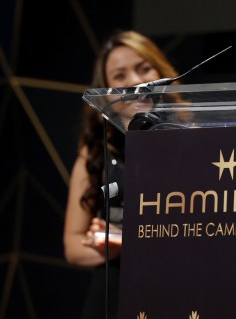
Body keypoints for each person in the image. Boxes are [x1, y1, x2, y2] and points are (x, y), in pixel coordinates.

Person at [63, 30, 180, 319]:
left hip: (176, 289)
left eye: (143, 68)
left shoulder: (192, 140)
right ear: (106, 90)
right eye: (119, 76)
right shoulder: (93, 155)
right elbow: (74, 245)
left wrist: (129, 238)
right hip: (112, 296)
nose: (135, 82)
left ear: (160, 71)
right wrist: (115, 245)